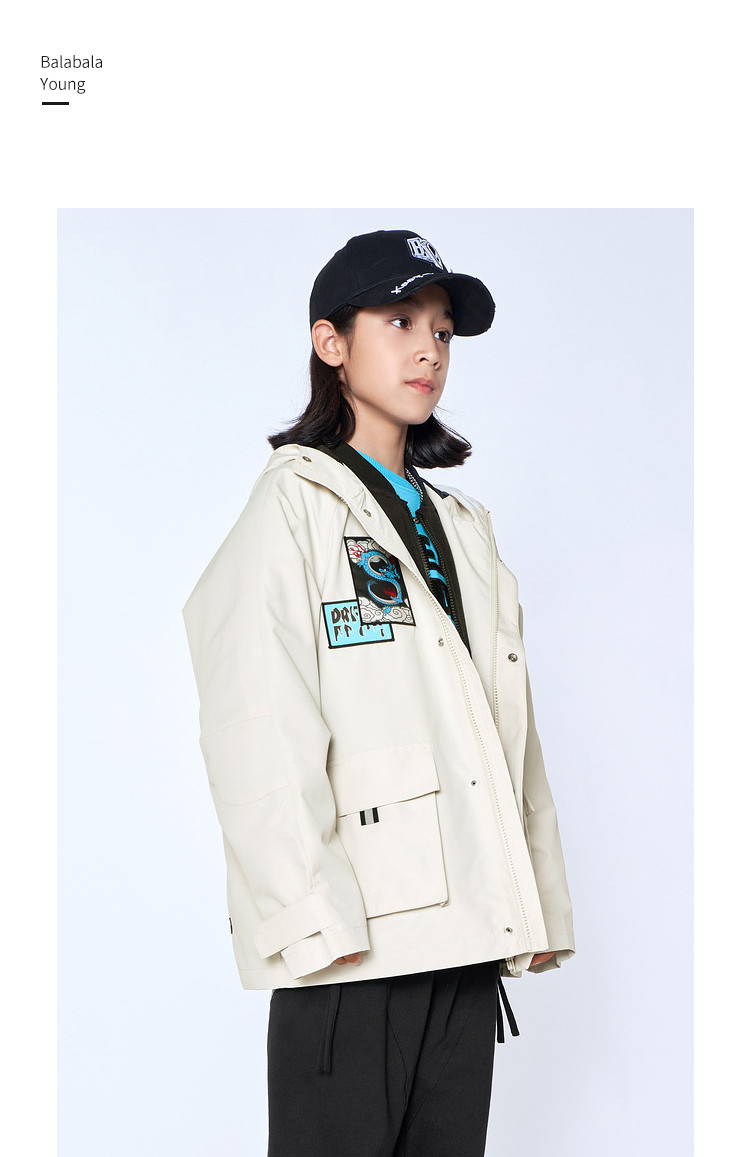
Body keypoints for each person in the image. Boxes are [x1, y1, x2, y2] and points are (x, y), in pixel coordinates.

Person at [183, 228, 575, 1156]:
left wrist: (534, 901)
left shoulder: (461, 524)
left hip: (467, 939)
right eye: (399, 321)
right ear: (331, 342)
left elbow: (506, 728)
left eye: (441, 329)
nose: (429, 349)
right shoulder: (294, 506)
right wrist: (309, 918)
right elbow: (254, 722)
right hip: (354, 949)